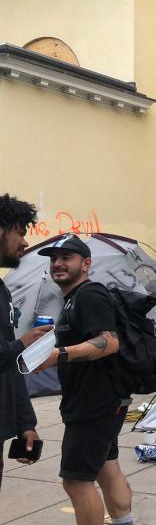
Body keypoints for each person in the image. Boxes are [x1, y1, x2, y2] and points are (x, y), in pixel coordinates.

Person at [35, 234, 142, 525]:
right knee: (106, 467)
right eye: (54, 259)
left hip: (95, 402)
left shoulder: (90, 295)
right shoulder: (73, 300)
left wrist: (60, 354)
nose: (58, 263)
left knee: (75, 480)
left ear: (86, 264)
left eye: (67, 257)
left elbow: (109, 342)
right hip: (99, 399)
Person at [0, 194, 54, 490]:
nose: (24, 243)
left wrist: (25, 424)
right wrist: (24, 341)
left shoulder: (2, 289)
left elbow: (10, 365)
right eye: (20, 232)